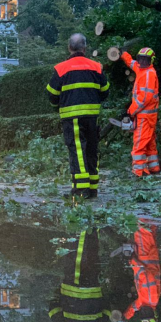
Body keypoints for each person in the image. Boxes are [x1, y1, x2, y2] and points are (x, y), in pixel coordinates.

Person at [46, 34, 110, 199]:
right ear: (85, 48)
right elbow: (105, 91)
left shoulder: (61, 68)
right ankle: (93, 188)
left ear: (69, 48)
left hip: (72, 117)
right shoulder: (96, 67)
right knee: (91, 150)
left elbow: (52, 94)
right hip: (92, 117)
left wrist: (57, 107)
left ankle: (81, 190)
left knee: (77, 151)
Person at [49, 228, 108, 322]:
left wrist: (100, 295)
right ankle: (80, 227)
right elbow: (53, 309)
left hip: (93, 286)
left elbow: (107, 310)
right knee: (76, 256)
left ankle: (94, 229)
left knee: (93, 258)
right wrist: (59, 295)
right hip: (72, 287)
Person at [111, 222, 161, 322]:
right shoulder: (150, 298)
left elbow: (133, 307)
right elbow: (145, 274)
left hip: (146, 257)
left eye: (143, 315)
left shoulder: (144, 302)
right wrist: (131, 260)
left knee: (149, 229)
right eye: (147, 315)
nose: (144, 313)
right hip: (145, 256)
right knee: (142, 228)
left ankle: (150, 214)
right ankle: (142, 212)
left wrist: (125, 317)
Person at [121, 47, 160, 177]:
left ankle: (139, 171)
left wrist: (130, 112)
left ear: (151, 60)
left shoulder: (149, 74)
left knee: (140, 143)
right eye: (141, 59)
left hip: (145, 115)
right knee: (149, 143)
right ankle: (154, 168)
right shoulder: (141, 69)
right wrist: (124, 54)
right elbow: (131, 63)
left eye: (145, 59)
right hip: (147, 114)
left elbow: (144, 99)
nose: (142, 62)